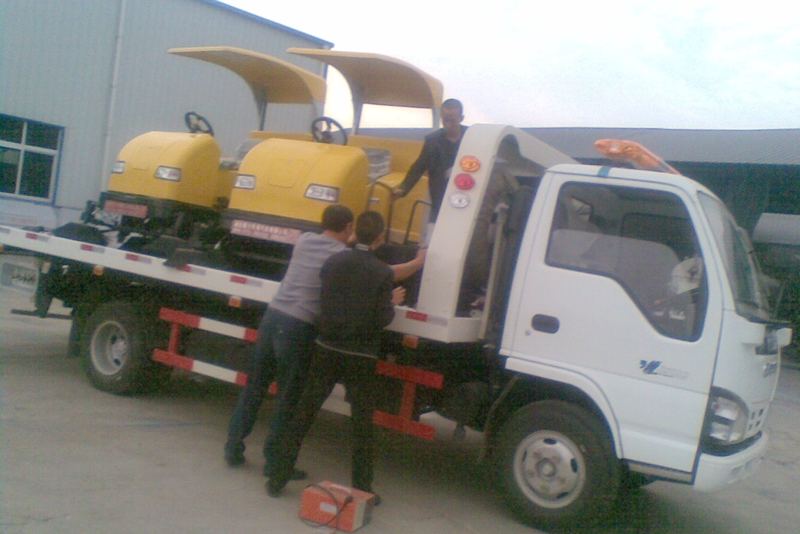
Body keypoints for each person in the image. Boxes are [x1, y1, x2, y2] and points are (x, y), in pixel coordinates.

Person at [266, 212, 406, 504]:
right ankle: (363, 489)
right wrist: (391, 302)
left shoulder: (333, 261)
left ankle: (278, 476)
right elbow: (382, 318)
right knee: (362, 426)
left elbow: (327, 297)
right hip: (360, 356)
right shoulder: (382, 272)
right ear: (380, 238)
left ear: (355, 233)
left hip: (326, 348)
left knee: (304, 414)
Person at [224, 205, 355, 479]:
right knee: (288, 397)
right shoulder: (342, 255)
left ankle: (232, 447)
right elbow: (377, 269)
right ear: (347, 228)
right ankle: (275, 463)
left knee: (255, 387)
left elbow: (331, 242)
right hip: (298, 326)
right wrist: (416, 262)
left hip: (272, 317)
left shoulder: (305, 240)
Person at [393, 98, 467, 224]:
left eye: (452, 120)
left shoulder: (473, 138)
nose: (448, 124)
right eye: (445, 120)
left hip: (466, 194)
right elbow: (419, 167)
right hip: (439, 196)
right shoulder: (432, 141)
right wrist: (403, 188)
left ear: (461, 118)